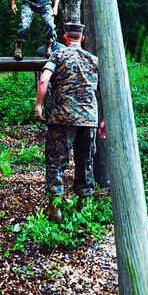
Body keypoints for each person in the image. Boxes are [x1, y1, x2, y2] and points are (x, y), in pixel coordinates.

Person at [35, 22, 105, 221]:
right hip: (88, 120)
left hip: (61, 118)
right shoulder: (94, 60)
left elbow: (43, 80)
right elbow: (103, 90)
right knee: (85, 162)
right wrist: (103, 119)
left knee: (56, 162)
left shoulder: (57, 55)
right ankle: (84, 206)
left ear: (65, 38)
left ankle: (54, 207)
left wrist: (39, 105)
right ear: (82, 38)